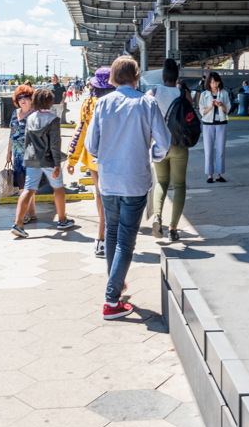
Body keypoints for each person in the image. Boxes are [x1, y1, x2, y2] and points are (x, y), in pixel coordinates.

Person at [86, 55, 170, 320]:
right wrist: (153, 155)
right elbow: (164, 142)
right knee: (126, 240)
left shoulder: (102, 103)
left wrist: (106, 154)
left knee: (112, 233)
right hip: (135, 179)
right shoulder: (147, 102)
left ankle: (117, 283)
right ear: (137, 76)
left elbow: (91, 145)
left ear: (112, 77)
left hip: (109, 180)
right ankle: (111, 301)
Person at [11, 89, 72, 237]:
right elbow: (55, 144)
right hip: (49, 160)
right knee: (58, 189)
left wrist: (28, 156)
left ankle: (18, 224)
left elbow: (27, 140)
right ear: (51, 102)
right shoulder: (53, 119)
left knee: (28, 189)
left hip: (32, 158)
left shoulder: (30, 118)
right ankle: (62, 220)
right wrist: (57, 164)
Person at [67, 67, 113, 258]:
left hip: (94, 158)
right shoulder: (117, 103)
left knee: (100, 196)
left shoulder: (88, 104)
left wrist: (72, 157)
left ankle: (102, 238)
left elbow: (80, 133)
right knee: (114, 198)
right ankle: (105, 238)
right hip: (115, 157)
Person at [148, 58, 191, 241]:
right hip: (179, 145)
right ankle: (173, 229)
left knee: (161, 183)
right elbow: (190, 116)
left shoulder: (154, 92)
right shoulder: (183, 93)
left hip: (159, 146)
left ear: (163, 76)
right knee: (179, 185)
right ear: (177, 77)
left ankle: (157, 215)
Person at [5, 83, 37, 224]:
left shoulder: (35, 114)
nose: (22, 100)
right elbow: (12, 134)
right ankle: (32, 212)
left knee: (26, 186)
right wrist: (8, 152)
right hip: (17, 155)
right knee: (23, 185)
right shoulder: (14, 114)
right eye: (19, 97)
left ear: (31, 99)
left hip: (31, 155)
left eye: (26, 97)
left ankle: (23, 214)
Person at [196, 71, 231, 184]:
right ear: (208, 83)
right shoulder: (204, 94)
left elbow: (228, 111)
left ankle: (219, 175)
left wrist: (221, 106)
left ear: (219, 82)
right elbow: (202, 112)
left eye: (216, 82)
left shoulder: (224, 93)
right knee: (208, 150)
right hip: (208, 124)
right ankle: (209, 175)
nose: (214, 84)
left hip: (222, 123)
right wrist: (211, 106)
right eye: (212, 82)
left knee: (221, 150)